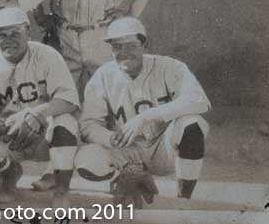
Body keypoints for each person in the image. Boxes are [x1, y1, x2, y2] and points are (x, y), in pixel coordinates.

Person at [76, 16, 210, 203]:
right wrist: (111, 140)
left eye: (131, 45)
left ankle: (183, 199)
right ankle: (127, 177)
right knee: (87, 158)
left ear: (144, 44)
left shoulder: (169, 67)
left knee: (193, 124)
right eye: (117, 46)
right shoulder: (104, 75)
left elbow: (199, 100)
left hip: (163, 148)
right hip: (125, 150)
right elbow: (88, 125)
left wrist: (145, 117)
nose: (124, 52)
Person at [0, 7, 79, 206]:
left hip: (45, 133)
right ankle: (9, 176)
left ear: (28, 32)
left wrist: (36, 115)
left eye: (15, 34)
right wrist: (20, 126)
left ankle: (62, 189)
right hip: (10, 136)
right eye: (2, 35)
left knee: (66, 122)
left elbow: (69, 99)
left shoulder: (47, 55)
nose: (8, 40)